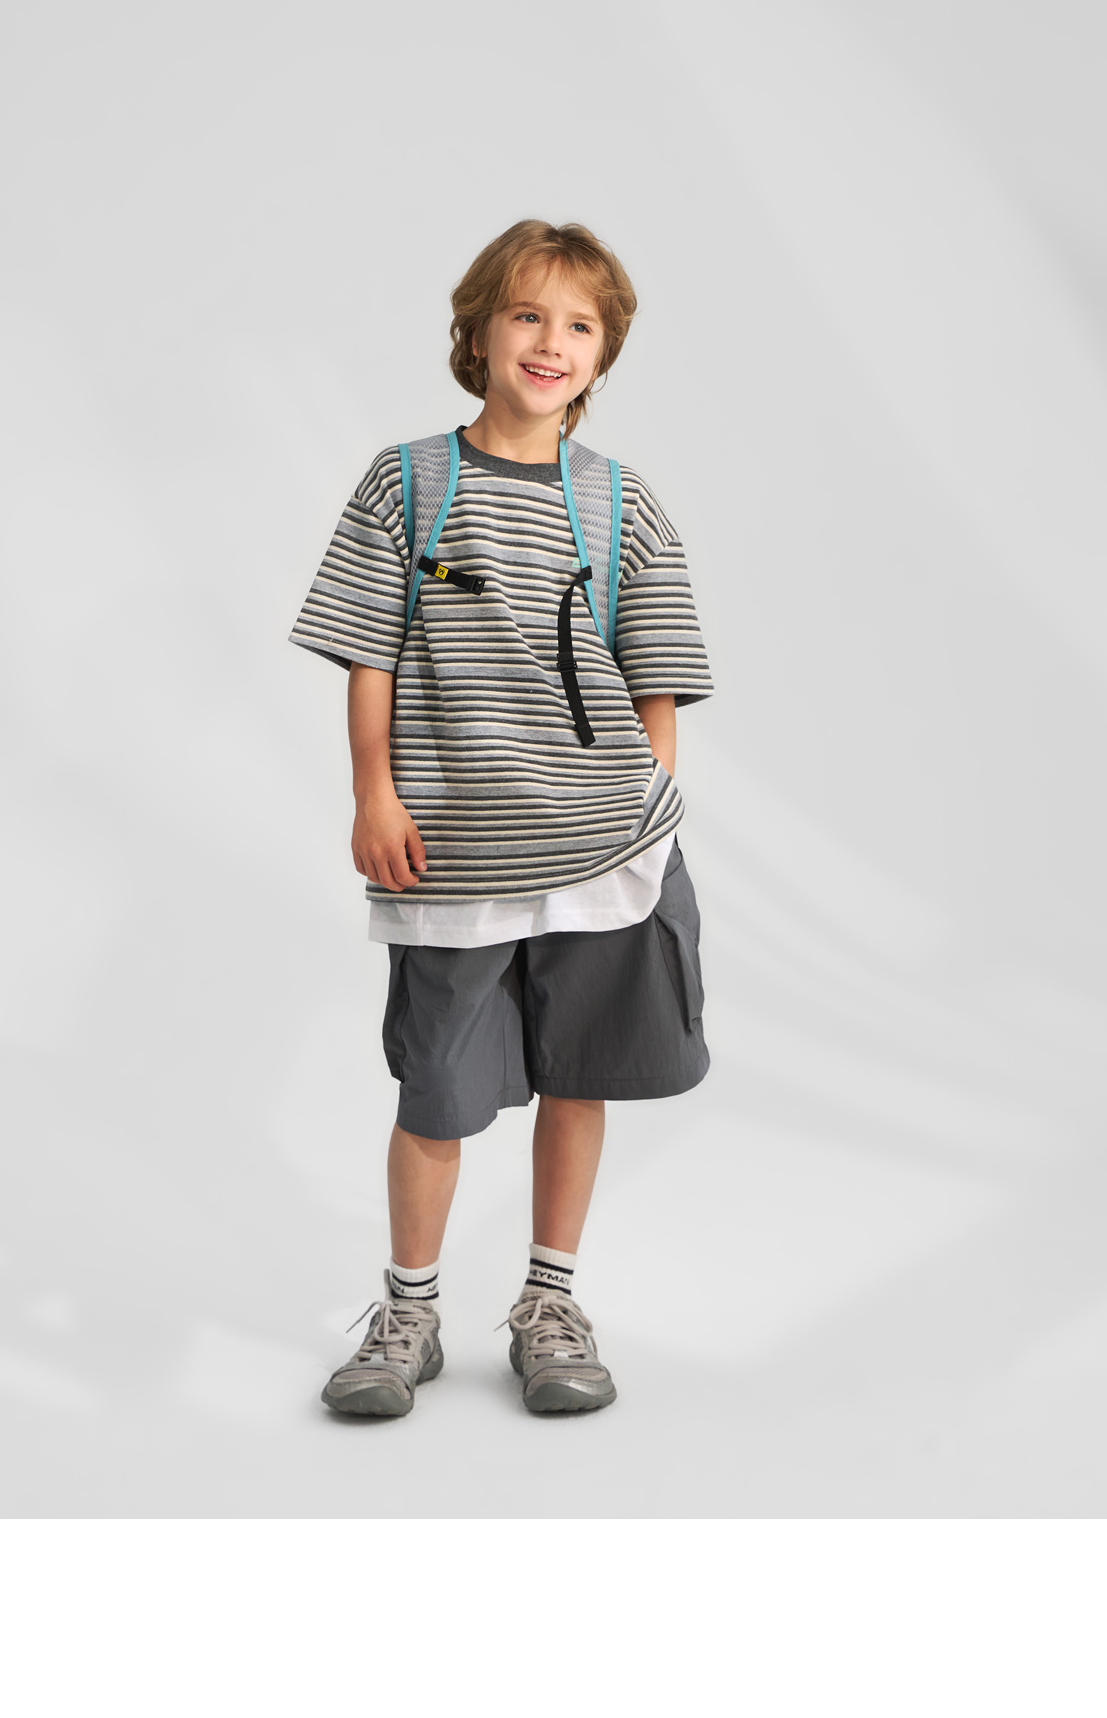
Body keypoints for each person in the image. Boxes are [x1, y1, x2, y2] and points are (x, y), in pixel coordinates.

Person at [289, 219, 714, 1416]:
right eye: (527, 314)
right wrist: (374, 791)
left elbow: (656, 673)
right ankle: (408, 1311)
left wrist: (643, 802)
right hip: (454, 849)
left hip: (604, 851)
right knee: (435, 1087)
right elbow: (369, 649)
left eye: (579, 325)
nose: (550, 341)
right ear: (476, 331)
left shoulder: (622, 501)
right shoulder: (408, 482)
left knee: (579, 1075)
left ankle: (549, 1301)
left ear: (603, 354)